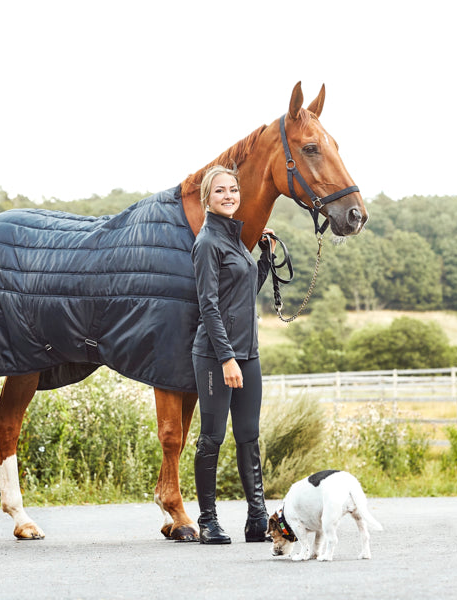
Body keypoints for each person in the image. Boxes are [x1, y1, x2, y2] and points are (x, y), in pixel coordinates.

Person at [191, 164, 275, 545]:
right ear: (208, 197)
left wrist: (265, 260)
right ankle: (208, 520)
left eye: (233, 190)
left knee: (248, 435)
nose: (229, 196)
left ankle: (257, 518)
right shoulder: (208, 242)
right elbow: (208, 306)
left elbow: (242, 295)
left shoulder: (236, 239)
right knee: (212, 437)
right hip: (214, 356)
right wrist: (226, 358)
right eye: (221, 191)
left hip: (248, 353)